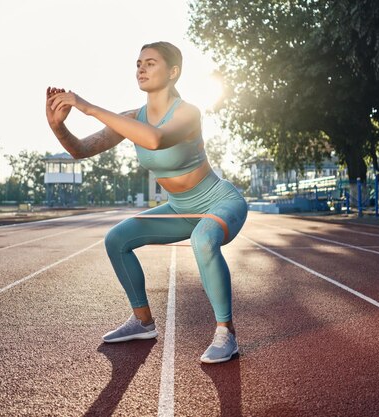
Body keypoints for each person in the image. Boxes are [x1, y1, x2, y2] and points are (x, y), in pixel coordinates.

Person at [45, 41, 248, 364]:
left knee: (204, 239)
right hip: (180, 209)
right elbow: (80, 150)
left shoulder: (187, 112)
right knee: (117, 239)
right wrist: (59, 127)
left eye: (150, 63)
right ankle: (142, 322)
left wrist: (88, 106)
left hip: (218, 201)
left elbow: (155, 138)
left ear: (173, 72)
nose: (141, 68)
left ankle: (227, 333)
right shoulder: (132, 118)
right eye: (138, 63)